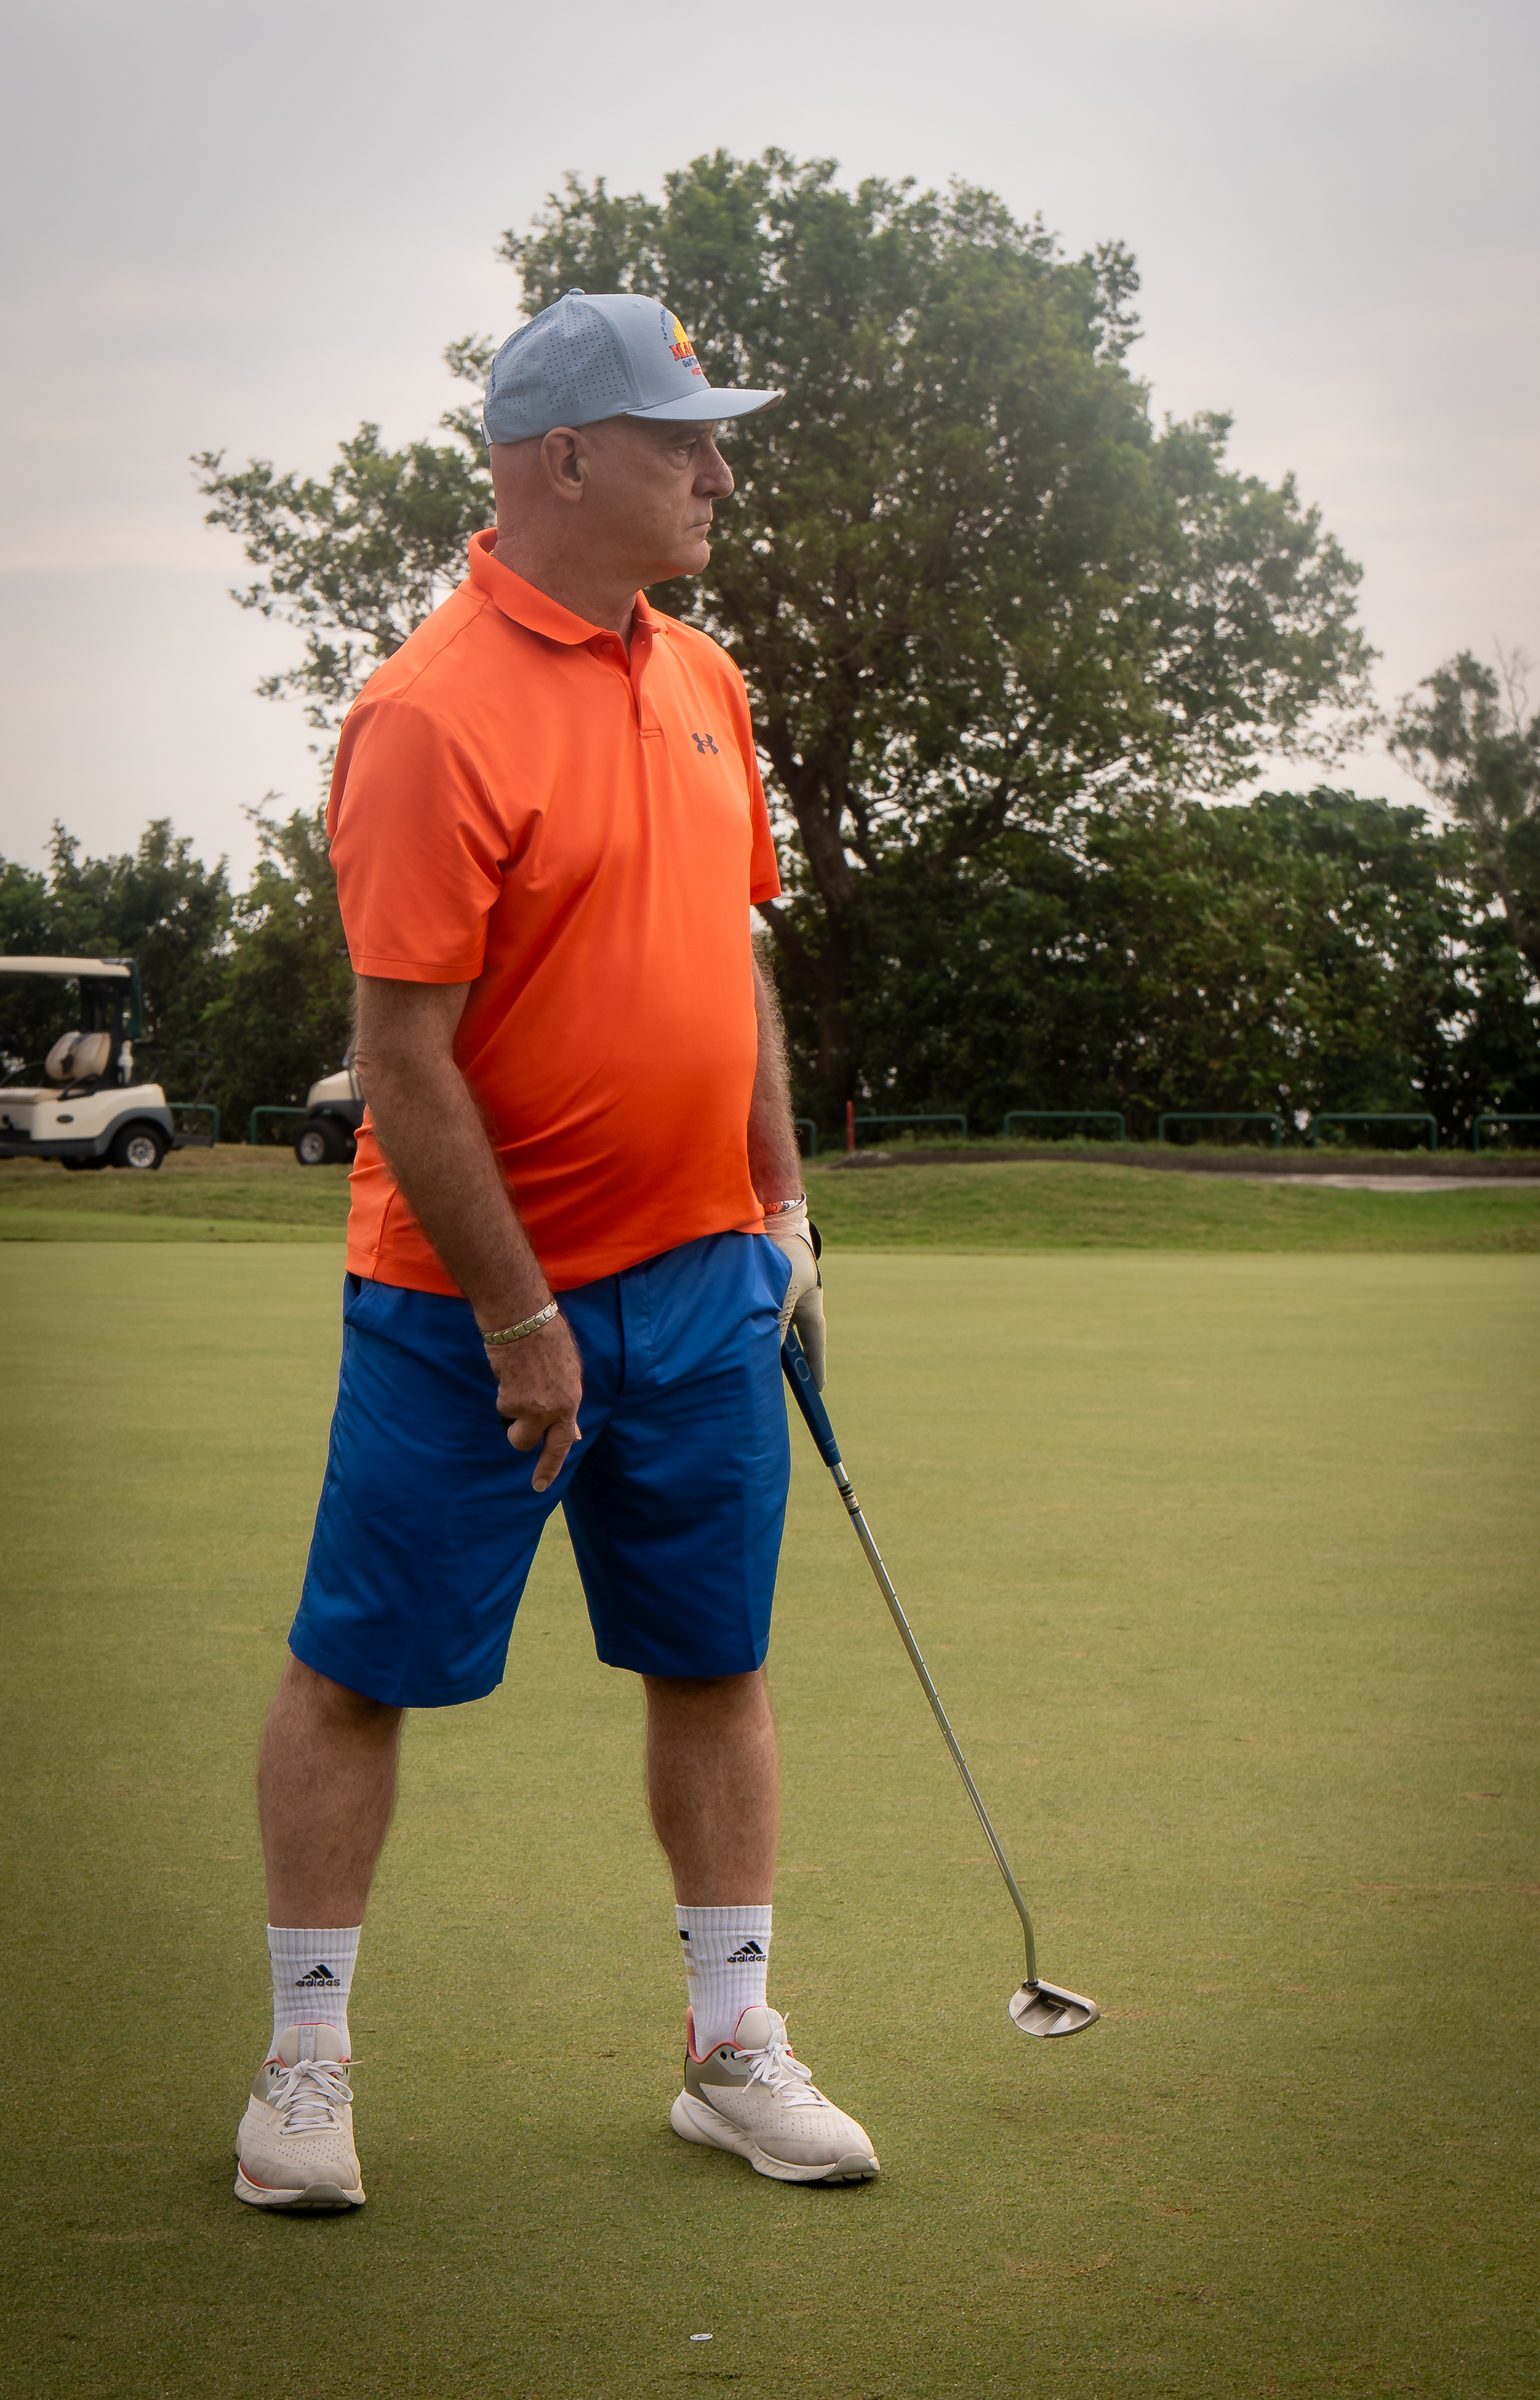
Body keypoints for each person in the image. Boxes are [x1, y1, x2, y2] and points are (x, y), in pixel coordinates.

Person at [233, 291, 879, 2211]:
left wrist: (782, 1214)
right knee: (360, 1669)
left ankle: (728, 2045)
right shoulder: (426, 712)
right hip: (464, 1305)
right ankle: (304, 2060)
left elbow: (728, 963)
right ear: (565, 459)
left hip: (702, 1279)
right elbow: (401, 1055)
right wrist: (520, 1314)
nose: (720, 474)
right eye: (685, 441)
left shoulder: (705, 679)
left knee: (715, 1659)